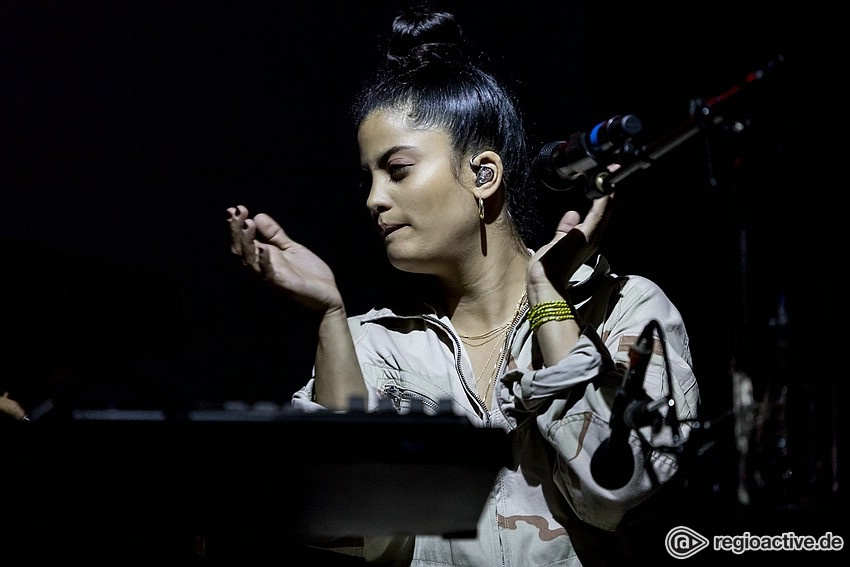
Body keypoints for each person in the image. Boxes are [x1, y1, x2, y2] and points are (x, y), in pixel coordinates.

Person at [226, 5, 700, 566]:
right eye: (368, 177)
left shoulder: (624, 309)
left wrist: (547, 299)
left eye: (397, 170)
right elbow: (350, 528)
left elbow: (616, 497)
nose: (373, 199)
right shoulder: (375, 345)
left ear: (483, 175)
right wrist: (330, 316)